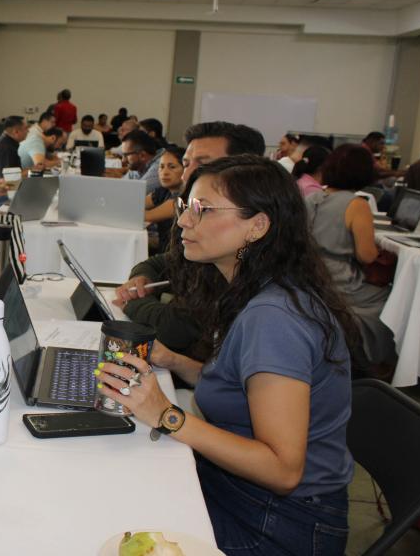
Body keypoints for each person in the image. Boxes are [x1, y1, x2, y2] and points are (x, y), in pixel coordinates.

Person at [98, 155, 358, 556]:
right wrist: (176, 362)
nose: (184, 221)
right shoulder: (257, 290)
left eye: (202, 210)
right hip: (246, 493)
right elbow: (248, 391)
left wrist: (167, 415)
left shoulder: (273, 318)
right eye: (186, 207)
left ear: (258, 226)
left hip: (279, 523)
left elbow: (283, 470)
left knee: (106, 520)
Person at [113, 121, 266, 355]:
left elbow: (180, 327)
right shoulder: (209, 229)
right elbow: (161, 263)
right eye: (186, 163)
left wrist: (132, 302)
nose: (187, 173)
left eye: (204, 164)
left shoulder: (257, 270)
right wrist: (141, 278)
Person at [305, 144, 397, 378]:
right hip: (342, 281)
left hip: (309, 276)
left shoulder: (312, 198)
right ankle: (376, 359)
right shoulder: (357, 205)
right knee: (393, 300)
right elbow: (366, 255)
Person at [144, 147, 185, 254]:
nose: (165, 172)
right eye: (161, 167)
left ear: (186, 169)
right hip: (163, 248)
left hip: (178, 256)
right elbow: (136, 204)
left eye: (172, 167)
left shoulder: (184, 197)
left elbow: (146, 216)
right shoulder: (163, 191)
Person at [121, 129, 162, 194]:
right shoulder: (138, 166)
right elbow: (120, 186)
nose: (123, 160)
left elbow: (136, 193)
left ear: (142, 155)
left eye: (126, 155)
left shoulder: (160, 165)